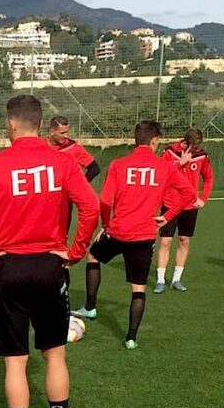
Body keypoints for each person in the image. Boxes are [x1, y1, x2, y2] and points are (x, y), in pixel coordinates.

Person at [0, 94, 99, 408]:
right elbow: (90, 207)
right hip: (51, 266)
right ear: (40, 124)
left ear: (11, 124)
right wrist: (75, 252)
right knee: (55, 354)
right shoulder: (63, 161)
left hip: (9, 268)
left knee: (15, 361)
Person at [72, 119, 193, 349]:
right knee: (138, 289)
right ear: (154, 141)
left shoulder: (118, 165)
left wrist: (106, 225)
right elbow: (188, 194)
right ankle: (131, 338)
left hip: (117, 230)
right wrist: (167, 217)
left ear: (136, 139)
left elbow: (105, 200)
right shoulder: (165, 167)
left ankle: (90, 306)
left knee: (93, 256)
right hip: (144, 236)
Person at [154, 127, 213, 293]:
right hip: (170, 204)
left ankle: (176, 279)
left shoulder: (202, 156)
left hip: (189, 206)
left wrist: (203, 198)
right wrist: (179, 163)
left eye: (198, 147)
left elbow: (208, 178)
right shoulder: (170, 152)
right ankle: (160, 280)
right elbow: (161, 172)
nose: (196, 149)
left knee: (184, 240)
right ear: (185, 143)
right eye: (194, 146)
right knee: (165, 241)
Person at [47, 116, 100, 183]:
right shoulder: (42, 145)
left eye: (67, 132)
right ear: (52, 132)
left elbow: (94, 169)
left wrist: (79, 185)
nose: (66, 136)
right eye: (62, 133)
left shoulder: (73, 147)